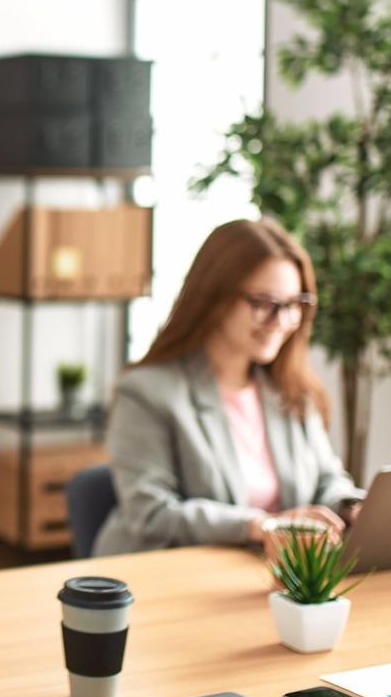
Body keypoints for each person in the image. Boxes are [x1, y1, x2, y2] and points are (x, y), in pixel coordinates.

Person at [92, 219, 361, 557]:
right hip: (164, 579)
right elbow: (152, 516)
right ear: (215, 298)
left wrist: (353, 507)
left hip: (269, 577)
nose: (282, 321)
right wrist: (259, 526)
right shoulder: (146, 392)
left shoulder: (290, 389)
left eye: (294, 305)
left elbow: (326, 480)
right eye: (264, 303)